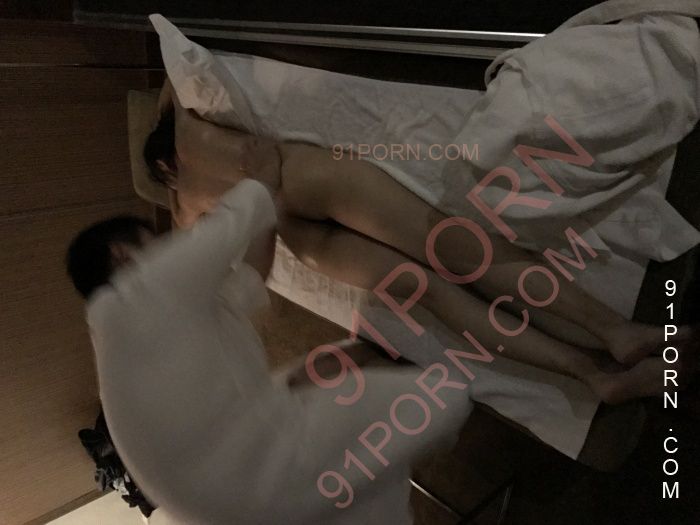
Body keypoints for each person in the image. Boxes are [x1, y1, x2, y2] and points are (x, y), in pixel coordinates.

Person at [139, 49, 699, 404]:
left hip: (300, 239)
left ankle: (589, 372)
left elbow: (207, 260)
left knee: (436, 293)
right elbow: (173, 65)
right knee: (461, 253)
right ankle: (613, 333)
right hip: (311, 181)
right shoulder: (183, 122)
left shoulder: (184, 209)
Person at [66, 179, 472, 524]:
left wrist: (271, 212)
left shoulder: (135, 340)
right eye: (156, 243)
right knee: (444, 398)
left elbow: (251, 275)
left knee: (344, 386)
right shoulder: (130, 300)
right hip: (261, 471)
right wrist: (261, 173)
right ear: (122, 254)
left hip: (229, 494)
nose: (169, 250)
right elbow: (246, 205)